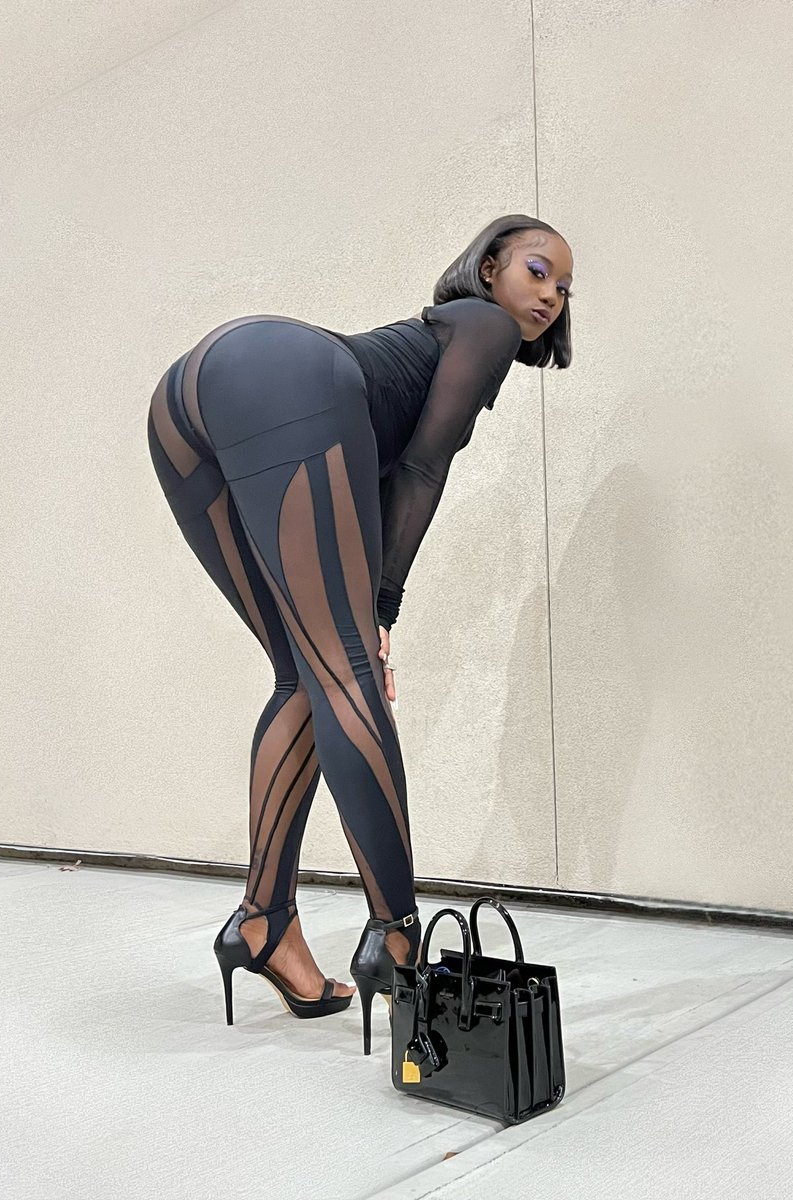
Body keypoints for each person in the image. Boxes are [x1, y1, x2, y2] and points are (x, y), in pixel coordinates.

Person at [145, 214, 574, 1053]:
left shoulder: (425, 345)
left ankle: (263, 922)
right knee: (346, 670)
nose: (551, 296)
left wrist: (364, 617)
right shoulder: (483, 326)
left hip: (185, 401)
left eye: (564, 288)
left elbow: (375, 485)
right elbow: (422, 466)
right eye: (537, 270)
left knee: (305, 674)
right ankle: (397, 933)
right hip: (283, 377)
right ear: (489, 267)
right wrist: (381, 611)